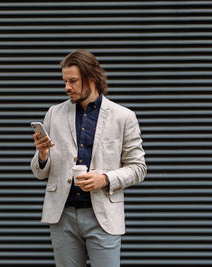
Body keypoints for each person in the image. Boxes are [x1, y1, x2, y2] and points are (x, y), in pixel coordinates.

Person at [31, 49, 147, 267]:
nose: (67, 87)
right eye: (65, 81)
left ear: (92, 78)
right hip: (62, 215)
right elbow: (39, 172)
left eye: (73, 81)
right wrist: (43, 154)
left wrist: (106, 178)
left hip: (102, 216)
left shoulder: (123, 116)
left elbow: (139, 168)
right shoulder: (53, 114)